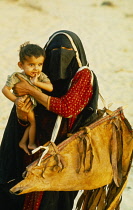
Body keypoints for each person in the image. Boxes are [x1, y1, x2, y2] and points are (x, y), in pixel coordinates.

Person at [0, 30, 99, 210]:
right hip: (34, 150)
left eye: (66, 50)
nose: (60, 55)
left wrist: (31, 91)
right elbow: (24, 116)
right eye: (55, 51)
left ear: (76, 53)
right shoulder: (39, 72)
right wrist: (22, 113)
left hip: (63, 153)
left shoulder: (83, 76)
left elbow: (66, 108)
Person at [2, 42, 53, 155]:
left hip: (33, 105)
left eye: (39, 64)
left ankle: (23, 142)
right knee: (33, 123)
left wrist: (37, 83)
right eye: (31, 65)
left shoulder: (40, 76)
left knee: (31, 124)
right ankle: (30, 143)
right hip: (25, 105)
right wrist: (15, 100)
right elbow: (5, 90)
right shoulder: (17, 77)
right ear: (21, 65)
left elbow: (50, 88)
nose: (36, 68)